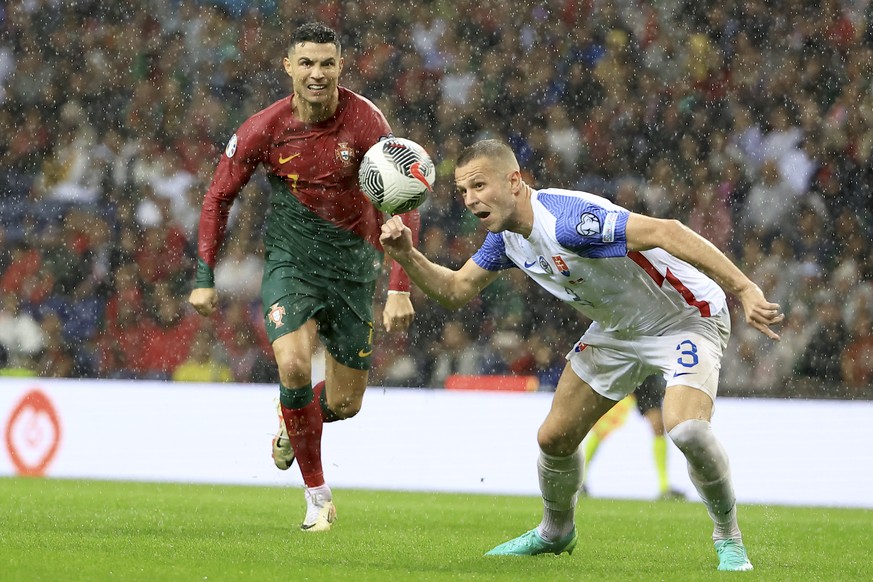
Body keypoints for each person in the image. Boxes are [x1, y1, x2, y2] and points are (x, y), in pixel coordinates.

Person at [380, 139, 784, 571]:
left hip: (686, 317)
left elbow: (668, 230)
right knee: (553, 438)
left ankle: (729, 537)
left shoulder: (571, 221)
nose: (470, 199)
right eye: (463, 191)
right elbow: (456, 290)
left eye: (479, 185)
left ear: (514, 181)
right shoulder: (506, 239)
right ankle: (555, 533)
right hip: (618, 330)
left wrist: (743, 288)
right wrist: (407, 254)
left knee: (687, 431)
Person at [188, 22, 419, 533]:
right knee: (293, 366)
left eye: (327, 63)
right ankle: (318, 497)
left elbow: (403, 201)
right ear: (289, 66)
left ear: (341, 66)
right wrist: (204, 274)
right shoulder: (264, 128)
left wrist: (399, 285)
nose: (318, 74)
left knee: (344, 404)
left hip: (355, 271)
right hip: (292, 263)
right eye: (308, 63)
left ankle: (293, 422)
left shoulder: (366, 123)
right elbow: (217, 196)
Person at [581, 375, 685, 501]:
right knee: (603, 427)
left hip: (648, 375)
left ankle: (664, 487)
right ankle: (580, 479)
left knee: (658, 426)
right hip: (627, 371)